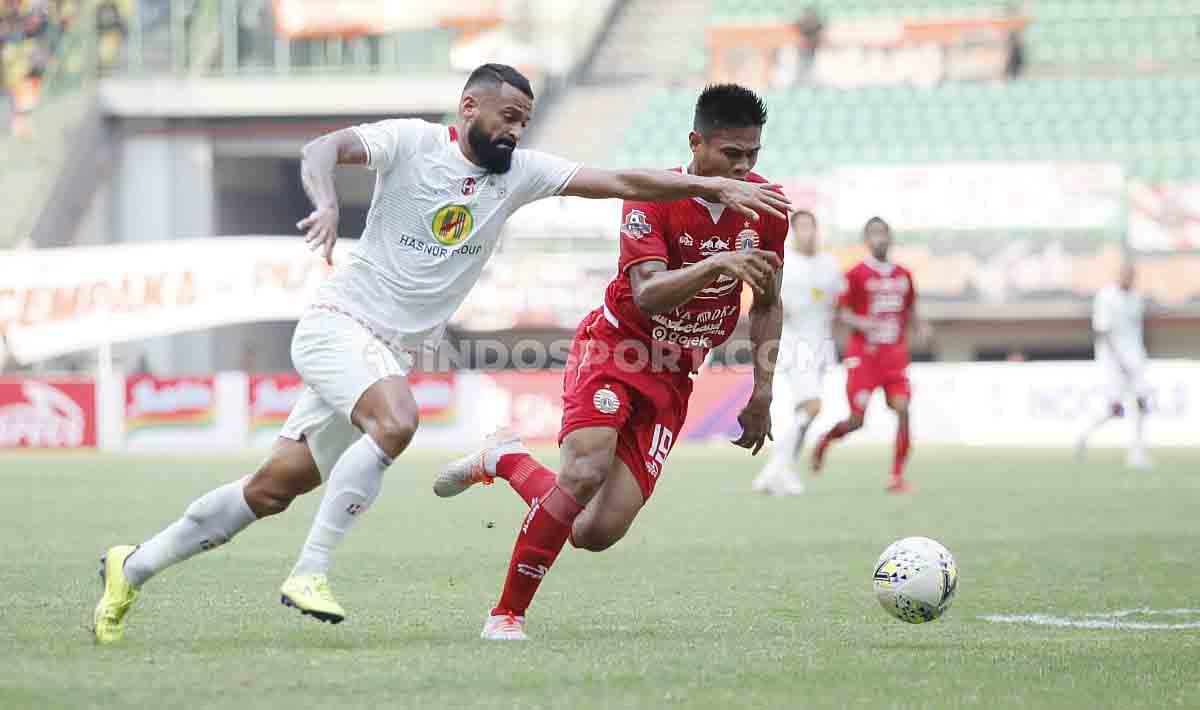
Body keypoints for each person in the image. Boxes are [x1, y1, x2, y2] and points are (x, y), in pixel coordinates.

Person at [91, 64, 790, 643]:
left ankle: (135, 565)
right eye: (507, 116)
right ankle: (310, 569)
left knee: (273, 488)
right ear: (469, 107)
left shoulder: (521, 173)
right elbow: (320, 149)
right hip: (338, 324)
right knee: (398, 420)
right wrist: (327, 201)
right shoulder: (412, 143)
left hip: (384, 354)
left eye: (524, 121)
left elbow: (625, 182)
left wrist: (709, 185)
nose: (515, 131)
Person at [434, 84, 789, 641]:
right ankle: (506, 615)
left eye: (752, 154)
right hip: (615, 348)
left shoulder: (767, 208)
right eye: (731, 154)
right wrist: (718, 263)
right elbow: (647, 295)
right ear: (696, 143)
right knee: (583, 472)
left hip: (675, 374)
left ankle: (507, 460)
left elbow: (767, 301)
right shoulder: (653, 196)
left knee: (592, 531)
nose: (742, 168)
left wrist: (762, 389)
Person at [810, 217, 929, 493]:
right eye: (874, 234)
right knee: (856, 421)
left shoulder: (903, 274)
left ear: (890, 237)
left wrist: (920, 327)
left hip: (894, 357)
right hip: (864, 357)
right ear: (866, 241)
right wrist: (862, 323)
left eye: (883, 233)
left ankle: (896, 476)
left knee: (903, 409)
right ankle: (826, 440)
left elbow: (910, 308)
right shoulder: (856, 274)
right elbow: (842, 313)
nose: (880, 239)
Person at [750, 209, 843, 495]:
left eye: (810, 226)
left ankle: (781, 471)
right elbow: (771, 302)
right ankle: (774, 470)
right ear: (793, 232)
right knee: (812, 406)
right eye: (800, 227)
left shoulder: (830, 264)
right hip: (794, 343)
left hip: (821, 345)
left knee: (804, 414)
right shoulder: (786, 263)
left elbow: (836, 304)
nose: (806, 232)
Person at [1074, 262, 1153, 469]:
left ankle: (1137, 453)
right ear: (1118, 275)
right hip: (1112, 361)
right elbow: (1103, 331)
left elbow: (1136, 331)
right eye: (1125, 274)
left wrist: (1138, 356)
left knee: (1142, 402)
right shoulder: (1106, 297)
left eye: (1131, 275)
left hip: (1135, 358)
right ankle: (1084, 434)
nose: (1128, 279)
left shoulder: (1136, 299)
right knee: (1115, 409)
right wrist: (1118, 360)